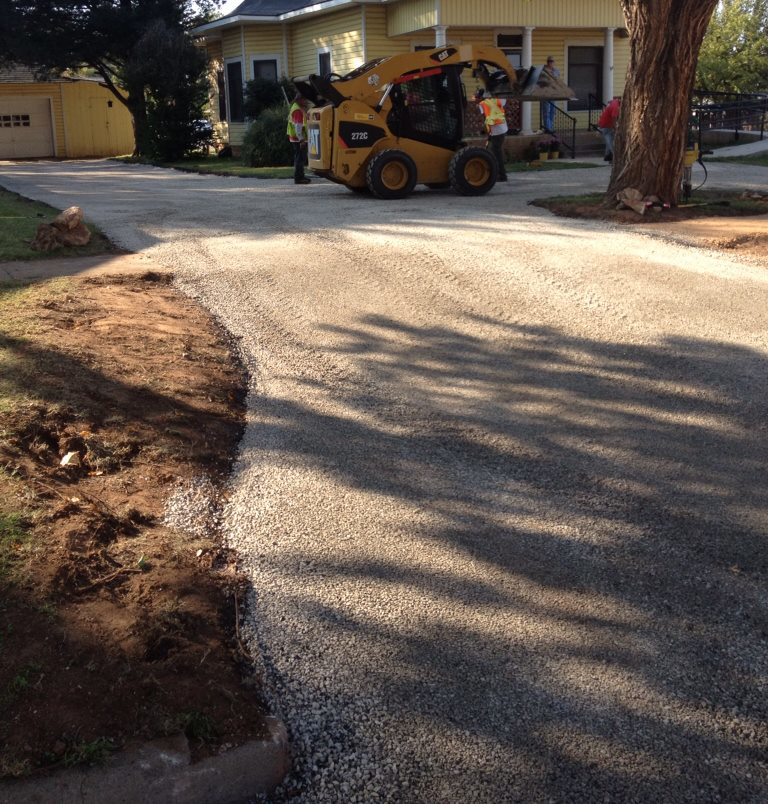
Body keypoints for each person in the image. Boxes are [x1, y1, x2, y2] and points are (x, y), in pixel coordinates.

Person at [475, 88, 508, 183]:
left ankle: (502, 175)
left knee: (495, 153)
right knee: (494, 152)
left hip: (497, 131)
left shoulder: (483, 103)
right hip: (501, 129)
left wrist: (478, 102)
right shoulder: (498, 100)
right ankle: (499, 174)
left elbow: (482, 115)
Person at [287, 93, 311, 185]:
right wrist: (301, 140)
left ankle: (301, 176)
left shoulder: (295, 107)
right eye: (304, 99)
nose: (305, 101)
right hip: (298, 139)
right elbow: (298, 127)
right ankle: (299, 178)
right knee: (300, 158)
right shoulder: (297, 110)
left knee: (299, 157)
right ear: (299, 99)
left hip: (295, 138)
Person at [598, 96, 621, 162]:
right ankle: (616, 157)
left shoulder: (614, 102)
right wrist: (615, 127)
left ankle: (607, 156)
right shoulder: (615, 106)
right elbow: (614, 117)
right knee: (610, 141)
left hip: (605, 124)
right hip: (606, 125)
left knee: (610, 140)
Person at [542, 56, 560, 132]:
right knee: (546, 111)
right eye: (549, 61)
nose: (551, 62)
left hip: (553, 93)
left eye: (552, 61)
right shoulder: (543, 70)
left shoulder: (556, 71)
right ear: (547, 62)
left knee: (552, 111)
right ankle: (547, 128)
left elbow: (557, 81)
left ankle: (551, 127)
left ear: (554, 62)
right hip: (545, 94)